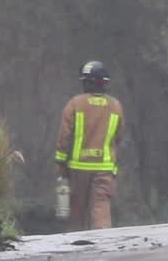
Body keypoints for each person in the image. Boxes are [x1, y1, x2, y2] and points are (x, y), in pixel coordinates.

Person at [55, 60, 124, 231]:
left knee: (77, 213)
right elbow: (119, 136)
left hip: (79, 169)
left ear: (86, 82)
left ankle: (76, 249)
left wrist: (61, 163)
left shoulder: (75, 104)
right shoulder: (115, 106)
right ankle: (104, 247)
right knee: (101, 208)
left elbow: (64, 137)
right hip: (104, 168)